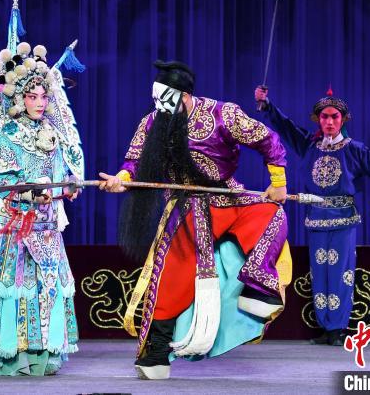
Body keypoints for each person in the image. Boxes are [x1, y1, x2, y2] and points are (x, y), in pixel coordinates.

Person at [99, 60, 292, 380]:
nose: (160, 109)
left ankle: (259, 287)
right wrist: (121, 179)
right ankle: (156, 352)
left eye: (167, 102)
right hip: (185, 208)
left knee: (270, 214)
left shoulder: (223, 114)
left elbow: (267, 139)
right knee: (170, 278)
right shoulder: (153, 122)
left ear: (186, 97)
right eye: (157, 102)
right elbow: (133, 163)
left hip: (228, 199)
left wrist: (279, 183)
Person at [0, 0, 85, 376]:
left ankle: (43, 354)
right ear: (18, 97)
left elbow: (60, 176)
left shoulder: (53, 136)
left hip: (46, 228)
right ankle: (11, 356)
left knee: (47, 288)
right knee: (12, 288)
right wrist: (26, 192)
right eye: (32, 96)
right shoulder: (5, 133)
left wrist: (68, 188)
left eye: (44, 96)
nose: (40, 102)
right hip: (11, 228)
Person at [254, 85, 370, 346]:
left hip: (343, 219)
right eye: (324, 117)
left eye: (334, 117)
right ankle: (326, 326)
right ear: (318, 120)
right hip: (317, 218)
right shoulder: (310, 145)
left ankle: (337, 328)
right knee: (320, 273)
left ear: (343, 120)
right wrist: (267, 105)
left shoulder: (355, 150)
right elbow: (286, 127)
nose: (329, 122)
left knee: (340, 273)